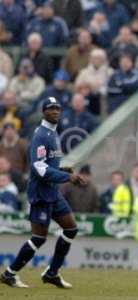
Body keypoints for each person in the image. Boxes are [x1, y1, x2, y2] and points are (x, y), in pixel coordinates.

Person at [0, 96, 86, 288]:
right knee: (39, 238)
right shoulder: (40, 135)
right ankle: (9, 274)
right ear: (43, 112)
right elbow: (38, 167)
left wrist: (62, 171)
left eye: (58, 108)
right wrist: (67, 178)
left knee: (71, 229)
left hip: (52, 192)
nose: (55, 111)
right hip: (40, 193)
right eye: (51, 108)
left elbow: (47, 163)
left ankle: (52, 273)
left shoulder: (53, 134)